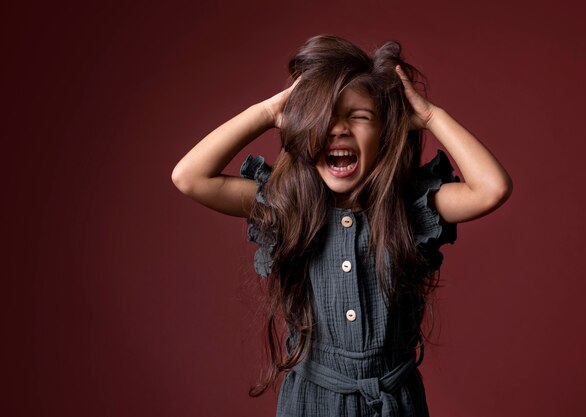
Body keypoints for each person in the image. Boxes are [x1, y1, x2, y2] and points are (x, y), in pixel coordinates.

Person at [171, 35, 512, 417]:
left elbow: (492, 188)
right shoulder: (288, 207)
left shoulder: (408, 208)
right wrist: (269, 111)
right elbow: (190, 177)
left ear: (384, 132)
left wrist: (430, 116)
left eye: (359, 116)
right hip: (311, 403)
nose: (338, 129)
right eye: (323, 118)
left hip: (393, 403)